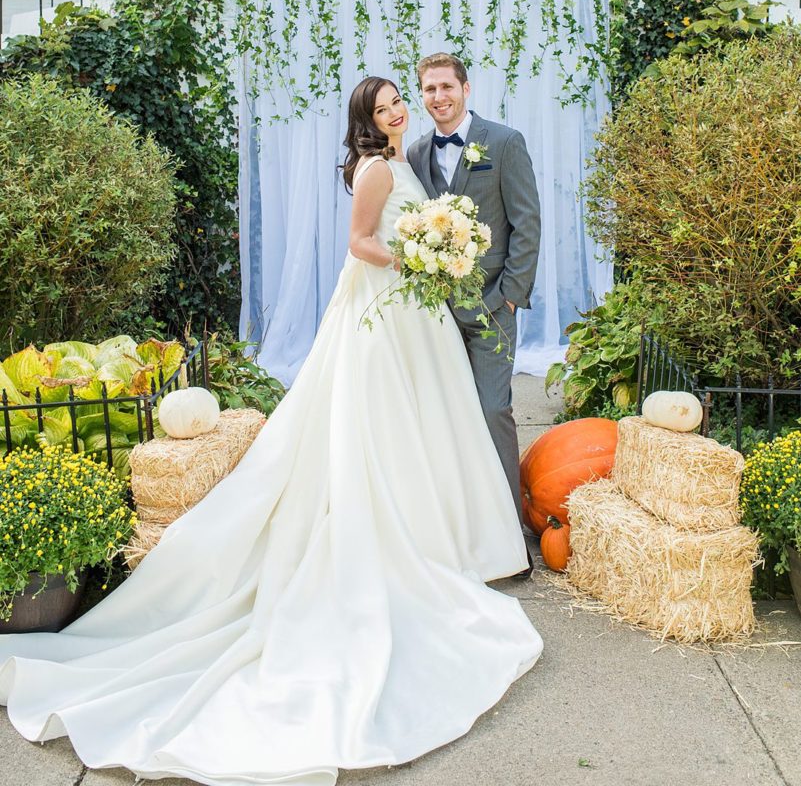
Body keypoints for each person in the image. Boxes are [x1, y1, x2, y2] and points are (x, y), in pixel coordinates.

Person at [0, 76, 543, 785]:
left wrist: (436, 255)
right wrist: (422, 256)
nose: (398, 111)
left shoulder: (402, 156)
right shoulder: (378, 168)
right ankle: (416, 540)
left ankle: (447, 535)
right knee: (381, 428)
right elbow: (359, 244)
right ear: (365, 119)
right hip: (385, 313)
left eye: (398, 103)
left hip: (415, 316)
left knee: (427, 424)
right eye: (383, 107)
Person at [407, 53, 541, 529]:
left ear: (466, 89)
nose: (438, 97)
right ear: (421, 95)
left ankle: (509, 524)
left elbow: (526, 222)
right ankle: (460, 524)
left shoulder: (503, 142)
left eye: (446, 87)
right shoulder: (416, 153)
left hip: (492, 307)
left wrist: (508, 295)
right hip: (437, 313)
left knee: (492, 410)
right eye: (429, 89)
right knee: (446, 415)